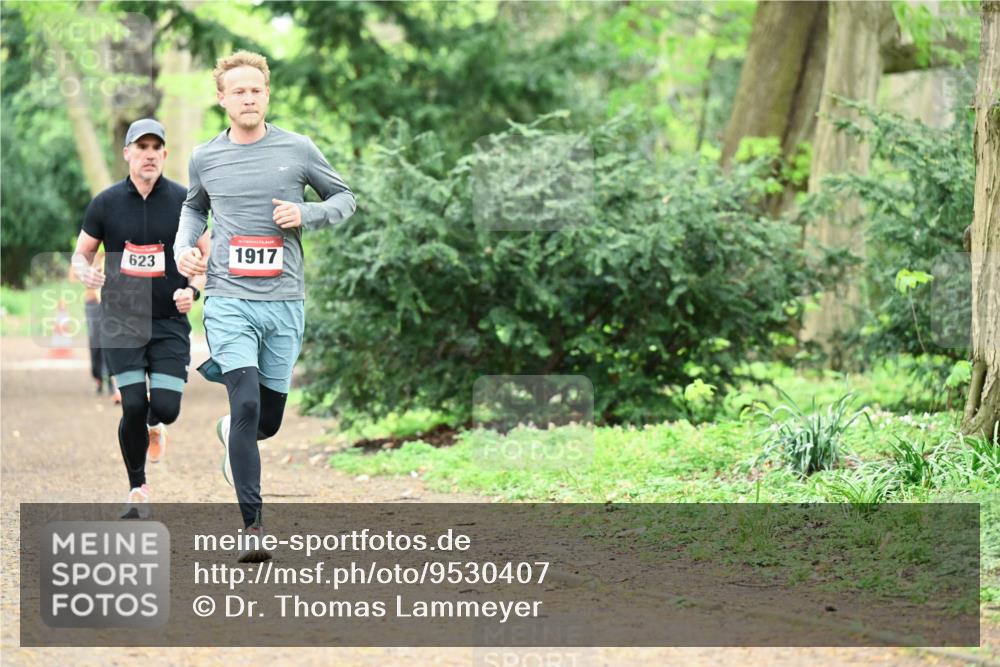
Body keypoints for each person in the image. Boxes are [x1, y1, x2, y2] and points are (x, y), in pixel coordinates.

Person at [175, 51, 356, 562]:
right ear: (223, 98)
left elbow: (344, 198)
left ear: (266, 94)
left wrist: (305, 212)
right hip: (228, 297)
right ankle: (253, 528)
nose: (248, 97)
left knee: (266, 421)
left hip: (284, 301)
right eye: (238, 91)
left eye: (256, 89)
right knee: (247, 403)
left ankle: (232, 433)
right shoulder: (205, 157)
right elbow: (193, 207)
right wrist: (183, 246)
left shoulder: (297, 150)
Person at [72, 118, 208, 518]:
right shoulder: (105, 203)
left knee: (165, 407)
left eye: (156, 148)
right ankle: (137, 488)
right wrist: (86, 272)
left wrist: (192, 289)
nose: (149, 155)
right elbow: (82, 254)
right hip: (121, 322)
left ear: (165, 154)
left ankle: (155, 423)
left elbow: (206, 256)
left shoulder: (186, 203)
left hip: (168, 323)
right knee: (132, 404)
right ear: (127, 153)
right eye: (141, 147)